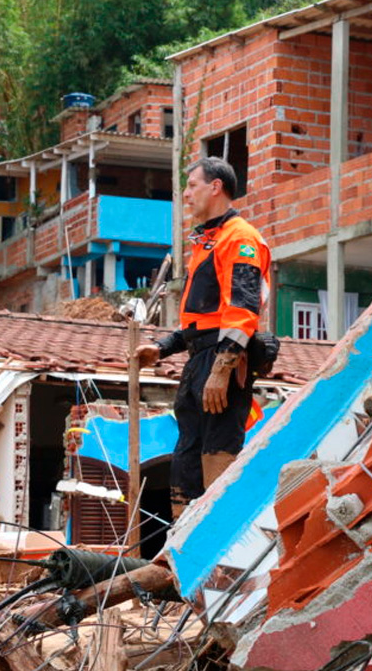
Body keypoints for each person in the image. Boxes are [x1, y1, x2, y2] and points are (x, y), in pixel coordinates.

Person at [135, 157, 271, 519]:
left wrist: (222, 369)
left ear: (216, 187)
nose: (185, 193)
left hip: (222, 358)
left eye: (192, 185)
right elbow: (202, 320)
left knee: (217, 451)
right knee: (187, 456)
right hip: (200, 359)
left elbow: (242, 309)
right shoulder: (207, 241)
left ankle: (216, 540)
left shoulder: (240, 237)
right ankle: (180, 545)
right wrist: (163, 348)